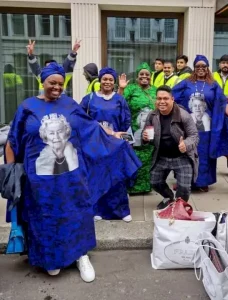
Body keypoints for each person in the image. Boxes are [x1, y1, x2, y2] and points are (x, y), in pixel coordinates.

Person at [4, 62, 141, 282]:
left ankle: (81, 255)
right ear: (43, 82)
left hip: (73, 177)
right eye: (52, 83)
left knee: (76, 213)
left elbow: (91, 126)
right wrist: (11, 173)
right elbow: (13, 141)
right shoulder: (27, 107)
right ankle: (51, 258)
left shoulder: (70, 105)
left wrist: (113, 134)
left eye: (60, 83)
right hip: (39, 180)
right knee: (45, 216)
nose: (57, 87)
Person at [172, 55, 228, 192]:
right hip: (187, 126)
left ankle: (202, 182)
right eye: (198, 66)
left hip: (207, 128)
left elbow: (223, 104)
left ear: (207, 68)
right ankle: (183, 180)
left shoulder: (213, 85)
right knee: (185, 153)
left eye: (203, 66)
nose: (200, 69)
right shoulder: (186, 82)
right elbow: (172, 96)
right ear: (194, 68)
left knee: (204, 154)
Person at [80, 67, 132, 222]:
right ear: (100, 80)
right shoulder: (89, 99)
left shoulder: (120, 99)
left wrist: (124, 139)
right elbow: (82, 119)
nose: (107, 82)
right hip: (96, 144)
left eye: (110, 79)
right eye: (105, 79)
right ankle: (98, 209)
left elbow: (126, 120)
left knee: (117, 176)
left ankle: (121, 211)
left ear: (114, 81)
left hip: (115, 144)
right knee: (98, 176)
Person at [142, 86, 199, 209]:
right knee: (154, 182)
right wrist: (145, 138)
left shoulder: (183, 115)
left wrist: (186, 145)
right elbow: (147, 135)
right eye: (159, 98)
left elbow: (194, 136)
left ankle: (179, 208)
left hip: (182, 156)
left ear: (172, 99)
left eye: (165, 98)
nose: (162, 101)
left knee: (184, 188)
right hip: (162, 156)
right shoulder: (152, 116)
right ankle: (169, 197)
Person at [120, 62, 157, 194]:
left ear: (150, 76)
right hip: (130, 129)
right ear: (137, 76)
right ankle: (131, 186)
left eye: (147, 74)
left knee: (148, 157)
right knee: (131, 157)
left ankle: (146, 186)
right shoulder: (131, 89)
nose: (144, 76)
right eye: (141, 74)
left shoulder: (155, 90)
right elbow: (120, 102)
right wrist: (121, 88)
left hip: (150, 131)